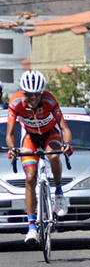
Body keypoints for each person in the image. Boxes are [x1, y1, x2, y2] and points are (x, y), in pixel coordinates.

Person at [6, 70, 72, 246]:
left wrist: (66, 144)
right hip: (30, 137)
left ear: (41, 93)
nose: (33, 98)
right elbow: (10, 133)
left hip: (50, 134)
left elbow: (64, 128)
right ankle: (32, 227)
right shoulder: (15, 102)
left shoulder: (50, 101)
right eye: (29, 94)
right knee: (29, 177)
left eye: (36, 94)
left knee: (52, 156)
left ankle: (58, 191)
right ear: (23, 92)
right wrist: (12, 149)